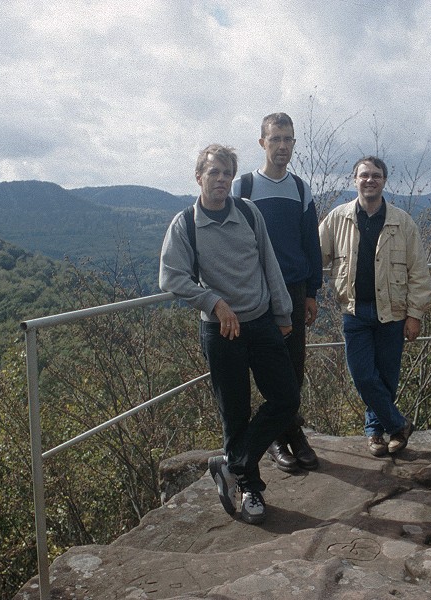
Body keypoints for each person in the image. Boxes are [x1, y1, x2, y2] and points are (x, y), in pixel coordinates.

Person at [159, 144, 300, 525]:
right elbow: (171, 276)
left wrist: (283, 312)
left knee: (286, 398)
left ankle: (231, 465)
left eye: (227, 174)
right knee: (234, 412)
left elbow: (269, 262)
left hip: (261, 321)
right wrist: (213, 302)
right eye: (214, 173)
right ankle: (250, 488)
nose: (221, 180)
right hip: (221, 331)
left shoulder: (249, 213)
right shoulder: (185, 223)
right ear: (199, 177)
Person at [319, 156, 431, 457]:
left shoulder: (402, 221)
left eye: (376, 175)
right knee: (362, 374)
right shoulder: (337, 219)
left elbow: (419, 272)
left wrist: (415, 314)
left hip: (393, 311)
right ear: (353, 179)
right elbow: (317, 256)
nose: (370, 180)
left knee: (386, 376)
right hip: (355, 310)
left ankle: (376, 434)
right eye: (364, 175)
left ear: (384, 180)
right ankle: (398, 424)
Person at [232, 112, 321, 473]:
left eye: (288, 140)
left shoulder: (300, 189)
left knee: (294, 363)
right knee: (268, 365)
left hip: (295, 289)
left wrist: (313, 291)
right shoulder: (244, 187)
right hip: (256, 291)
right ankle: (277, 437)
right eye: (276, 139)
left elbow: (310, 244)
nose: (282, 146)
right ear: (262, 142)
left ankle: (290, 432)